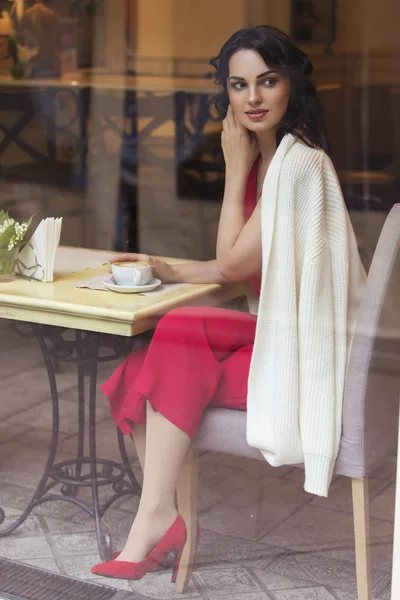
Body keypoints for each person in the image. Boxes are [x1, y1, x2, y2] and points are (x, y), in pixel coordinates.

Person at [91, 25, 366, 582]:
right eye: (240, 86)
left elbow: (235, 267)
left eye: (268, 81)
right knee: (158, 352)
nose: (254, 98)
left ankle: (156, 520)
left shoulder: (298, 163)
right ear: (228, 95)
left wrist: (234, 166)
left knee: (175, 337)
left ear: (291, 86)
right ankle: (159, 516)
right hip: (273, 332)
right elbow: (230, 265)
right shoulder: (276, 161)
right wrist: (168, 270)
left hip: (306, 354)